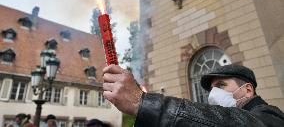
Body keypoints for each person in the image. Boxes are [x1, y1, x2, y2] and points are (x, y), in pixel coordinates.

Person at [102, 63, 284, 126]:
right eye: (212, 88)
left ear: (248, 89)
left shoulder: (269, 116)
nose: (214, 93)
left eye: (221, 85)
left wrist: (142, 102)